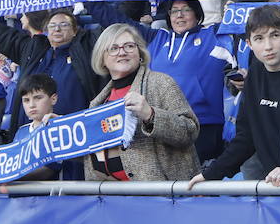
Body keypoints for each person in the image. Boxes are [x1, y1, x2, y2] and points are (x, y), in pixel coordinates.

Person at [190, 5, 280, 188]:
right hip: (275, 184)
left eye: (275, 35)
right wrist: (211, 174)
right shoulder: (255, 74)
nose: (268, 46)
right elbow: (246, 136)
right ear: (249, 44)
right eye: (259, 38)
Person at [91, 0, 234, 163]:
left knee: (194, 182)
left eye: (186, 9)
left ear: (197, 14)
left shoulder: (214, 35)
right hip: (160, 123)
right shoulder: (156, 38)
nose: (179, 15)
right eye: (174, 11)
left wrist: (234, 8)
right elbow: (116, 21)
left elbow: (246, 21)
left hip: (205, 124)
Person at [83, 24, 200, 182]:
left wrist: (151, 115)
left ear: (140, 53)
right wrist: (62, 128)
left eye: (129, 46)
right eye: (113, 48)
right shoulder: (97, 103)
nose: (122, 52)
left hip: (163, 198)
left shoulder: (161, 83)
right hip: (112, 200)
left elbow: (189, 131)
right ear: (102, 59)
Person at [0, 8, 102, 135]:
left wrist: (92, 1)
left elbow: (114, 25)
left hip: (73, 134)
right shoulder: (33, 49)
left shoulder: (86, 50)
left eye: (64, 25)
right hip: (30, 136)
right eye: (52, 25)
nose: (57, 29)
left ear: (75, 31)